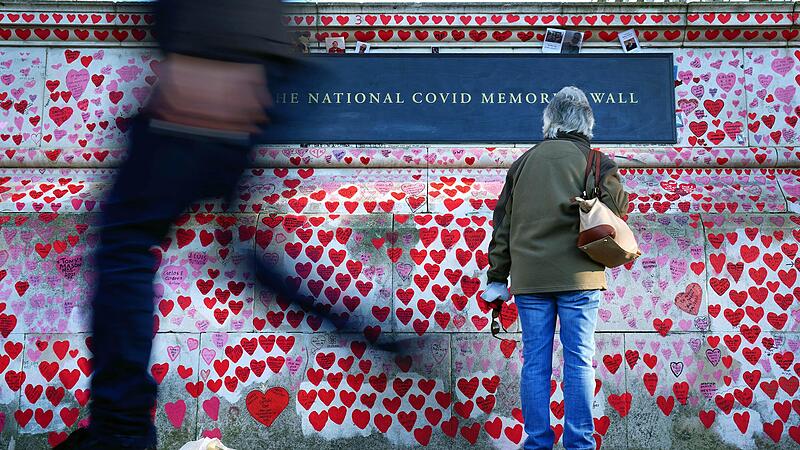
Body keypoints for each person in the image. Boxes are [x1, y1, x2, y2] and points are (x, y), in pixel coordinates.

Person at [54, 1, 301, 448]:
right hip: (259, 67)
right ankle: (373, 337)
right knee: (244, 256)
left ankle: (121, 426)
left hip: (209, 57)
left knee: (124, 244)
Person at [480, 86, 628, 450]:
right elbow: (618, 212)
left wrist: (497, 277)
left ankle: (537, 442)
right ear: (587, 122)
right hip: (580, 275)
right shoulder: (596, 162)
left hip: (530, 279)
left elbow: (503, 226)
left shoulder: (523, 163)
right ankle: (579, 443)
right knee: (578, 360)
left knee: (535, 364)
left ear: (549, 121)